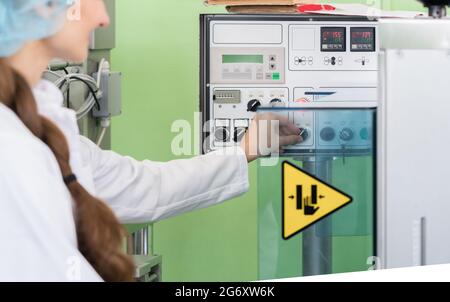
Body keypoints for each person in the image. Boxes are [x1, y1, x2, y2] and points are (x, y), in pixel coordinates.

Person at [0, 0, 302, 282]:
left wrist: (245, 150)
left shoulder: (43, 120)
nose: (104, 19)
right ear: (41, 6)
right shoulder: (12, 150)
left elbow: (147, 186)